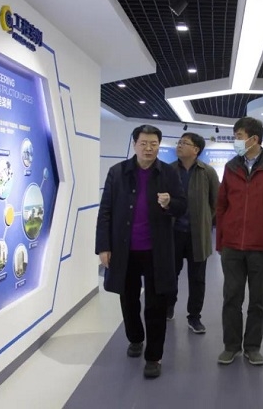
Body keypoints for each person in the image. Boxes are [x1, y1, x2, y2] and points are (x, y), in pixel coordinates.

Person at [95, 125, 186, 379]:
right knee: (129, 299)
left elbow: (182, 206)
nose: (148, 148)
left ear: (159, 145)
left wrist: (170, 203)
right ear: (134, 144)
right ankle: (135, 338)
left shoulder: (169, 173)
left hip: (157, 250)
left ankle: (154, 356)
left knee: (156, 304)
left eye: (153, 144)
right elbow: (105, 211)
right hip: (125, 249)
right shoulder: (118, 172)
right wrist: (103, 246)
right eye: (144, 143)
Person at [215, 116, 263, 366]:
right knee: (231, 298)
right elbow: (222, 205)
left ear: (253, 139)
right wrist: (221, 240)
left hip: (262, 246)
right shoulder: (231, 166)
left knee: (258, 301)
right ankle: (231, 346)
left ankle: (252, 347)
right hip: (232, 246)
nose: (235, 141)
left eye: (238, 136)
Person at [167, 132, 220, 334]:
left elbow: (215, 203)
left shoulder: (207, 172)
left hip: (198, 234)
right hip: (173, 233)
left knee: (197, 279)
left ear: (196, 149)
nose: (179, 145)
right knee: (170, 274)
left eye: (184, 143)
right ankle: (168, 306)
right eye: (179, 142)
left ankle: (194, 317)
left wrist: (203, 219)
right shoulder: (169, 170)